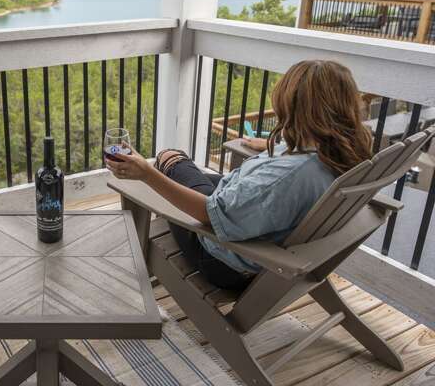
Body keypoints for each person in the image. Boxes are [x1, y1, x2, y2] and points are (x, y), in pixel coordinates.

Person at [106, 60, 372, 291]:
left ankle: (138, 257)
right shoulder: (340, 155)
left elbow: (210, 215)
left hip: (224, 259)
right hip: (260, 228)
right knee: (174, 165)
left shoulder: (284, 178)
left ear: (296, 110)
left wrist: (148, 175)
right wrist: (276, 147)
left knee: (168, 159)